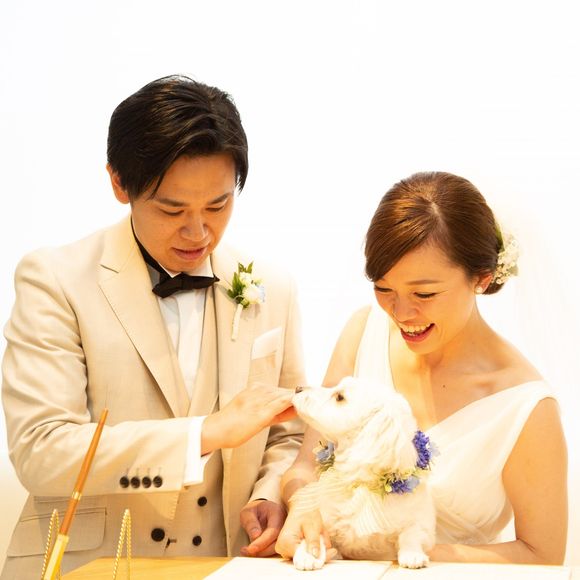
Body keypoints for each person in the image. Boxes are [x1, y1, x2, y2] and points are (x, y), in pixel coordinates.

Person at [1, 75, 305, 578]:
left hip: (227, 566)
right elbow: (41, 450)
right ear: (119, 182)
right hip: (88, 567)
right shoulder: (55, 280)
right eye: (172, 208)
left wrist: (269, 493)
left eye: (218, 205)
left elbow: (287, 433)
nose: (198, 231)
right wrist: (203, 433)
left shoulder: (273, 285)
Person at [276, 171, 568, 565]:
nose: (400, 312)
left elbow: (543, 555)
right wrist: (302, 508)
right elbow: (306, 465)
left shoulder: (525, 407)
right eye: (384, 289)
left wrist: (414, 553)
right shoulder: (363, 332)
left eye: (424, 294)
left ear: (482, 279)